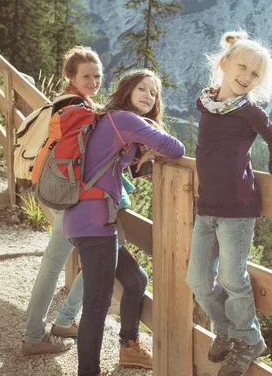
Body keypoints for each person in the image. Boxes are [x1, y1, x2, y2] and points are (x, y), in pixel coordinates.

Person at [185, 30, 272, 376]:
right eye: (243, 68)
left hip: (237, 208)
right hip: (206, 207)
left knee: (232, 279)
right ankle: (229, 329)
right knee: (198, 281)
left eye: (255, 75)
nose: (247, 77)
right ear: (224, 63)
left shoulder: (249, 111)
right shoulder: (206, 102)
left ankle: (247, 340)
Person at [62, 69, 185, 376]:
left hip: (90, 218)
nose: (149, 96)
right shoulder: (126, 121)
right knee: (96, 305)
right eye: (142, 89)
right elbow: (176, 149)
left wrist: (138, 154)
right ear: (128, 90)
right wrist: (152, 137)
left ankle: (130, 348)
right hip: (95, 222)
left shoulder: (112, 120)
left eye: (154, 93)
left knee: (136, 280)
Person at [22, 46, 103, 355]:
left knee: (56, 263)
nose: (93, 82)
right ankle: (39, 333)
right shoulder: (81, 111)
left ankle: (56, 323)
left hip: (58, 189)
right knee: (96, 257)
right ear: (71, 77)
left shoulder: (63, 102)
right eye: (86, 76)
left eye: (97, 76)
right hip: (72, 196)